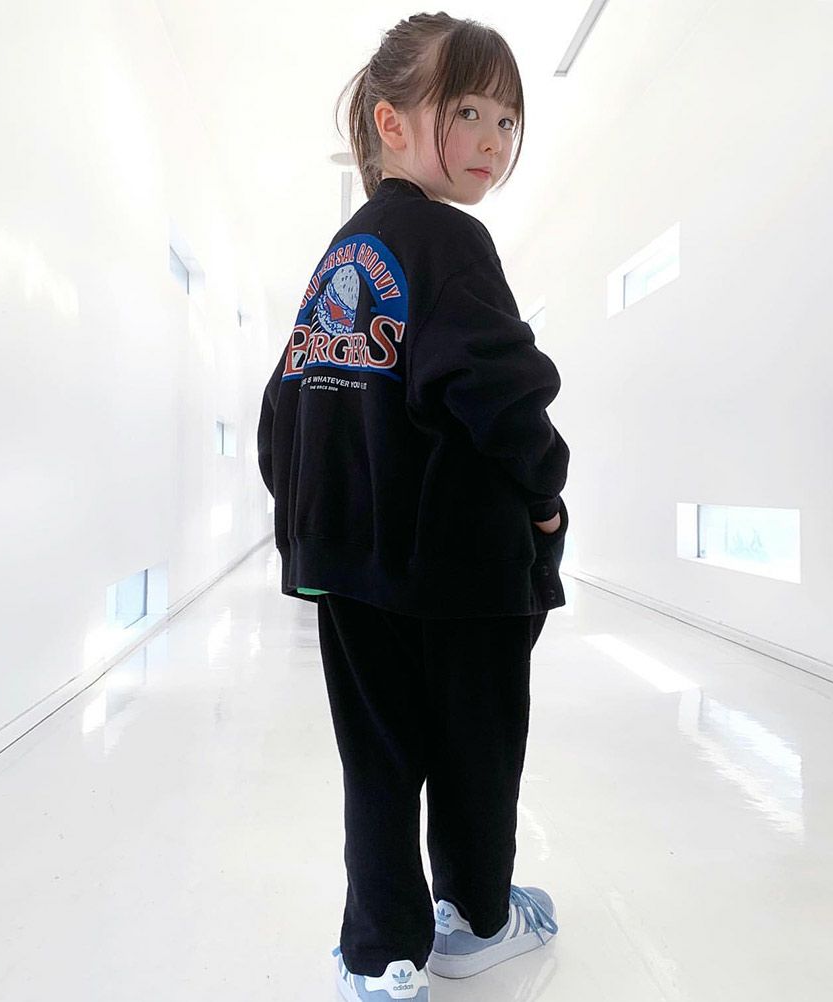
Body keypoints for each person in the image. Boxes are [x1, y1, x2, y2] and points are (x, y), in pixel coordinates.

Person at [257, 12, 569, 1001]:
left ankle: (378, 956)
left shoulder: (340, 256)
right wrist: (546, 495)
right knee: (477, 749)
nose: (492, 139)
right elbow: (500, 387)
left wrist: (314, 523)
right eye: (467, 111)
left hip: (351, 569)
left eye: (508, 120)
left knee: (379, 762)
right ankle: (474, 920)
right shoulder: (451, 240)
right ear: (391, 124)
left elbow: (282, 410)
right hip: (461, 570)